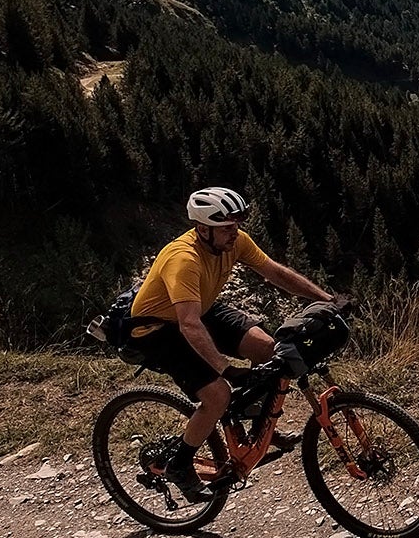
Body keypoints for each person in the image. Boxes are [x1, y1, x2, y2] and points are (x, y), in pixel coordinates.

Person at [128, 186, 341, 498]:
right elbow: (188, 324)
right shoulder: (183, 258)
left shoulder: (234, 241)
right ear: (202, 229)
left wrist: (328, 300)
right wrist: (225, 368)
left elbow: (275, 273)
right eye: (226, 228)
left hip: (200, 307)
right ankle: (179, 464)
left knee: (268, 349)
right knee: (217, 394)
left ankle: (256, 424)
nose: (234, 233)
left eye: (236, 225)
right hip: (158, 328)